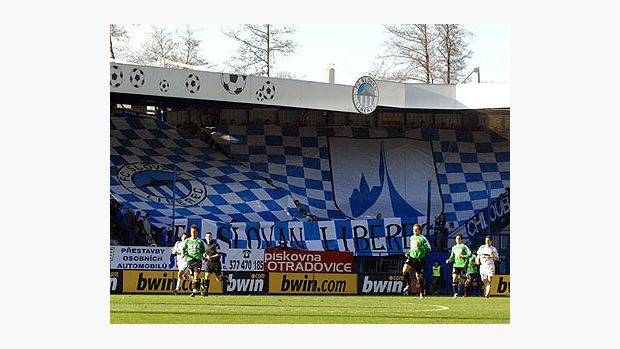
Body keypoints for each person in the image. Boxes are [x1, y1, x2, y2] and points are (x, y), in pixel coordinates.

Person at [402, 223, 432, 298]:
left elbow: (429, 249)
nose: (414, 231)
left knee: (418, 276)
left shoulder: (423, 239)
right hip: (411, 257)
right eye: (413, 230)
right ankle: (409, 285)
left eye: (415, 230)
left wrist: (420, 246)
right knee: (404, 270)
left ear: (419, 230)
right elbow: (413, 248)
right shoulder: (412, 237)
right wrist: (408, 252)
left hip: (419, 259)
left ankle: (422, 292)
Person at [182, 225, 206, 297]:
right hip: (190, 260)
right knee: (193, 278)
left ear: (197, 232)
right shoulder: (188, 241)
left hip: (197, 260)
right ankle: (201, 283)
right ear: (190, 232)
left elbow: (203, 251)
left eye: (195, 232)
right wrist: (184, 253)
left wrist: (204, 257)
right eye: (192, 232)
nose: (193, 233)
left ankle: (194, 292)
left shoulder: (200, 241)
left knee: (196, 275)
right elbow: (184, 249)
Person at [201, 232, 228, 296]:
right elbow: (206, 255)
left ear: (212, 237)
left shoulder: (215, 245)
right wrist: (204, 260)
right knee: (206, 277)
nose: (208, 238)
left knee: (219, 279)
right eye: (207, 237)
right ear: (205, 238)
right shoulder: (205, 246)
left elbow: (219, 254)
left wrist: (210, 257)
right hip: (209, 263)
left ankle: (225, 278)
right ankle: (206, 292)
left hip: (216, 263)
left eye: (210, 236)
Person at [446, 234, 471, 298]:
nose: (458, 240)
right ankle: (455, 293)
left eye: (459, 238)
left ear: (461, 239)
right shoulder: (454, 247)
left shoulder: (464, 246)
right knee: (454, 277)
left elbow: (469, 253)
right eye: (457, 238)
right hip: (456, 265)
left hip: (462, 265)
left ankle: (465, 286)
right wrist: (449, 260)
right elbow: (452, 256)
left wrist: (463, 256)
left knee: (462, 281)